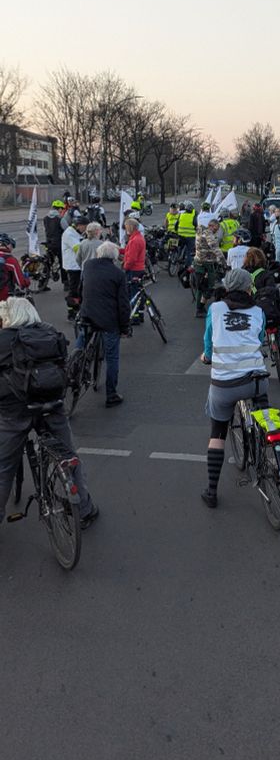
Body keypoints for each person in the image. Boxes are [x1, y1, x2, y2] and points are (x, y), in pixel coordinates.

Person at [0, 296, 98, 529]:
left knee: (4, 467)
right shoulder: (50, 333)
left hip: (15, 411)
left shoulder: (3, 340)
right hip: (52, 406)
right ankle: (84, 508)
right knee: (68, 456)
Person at [200, 268, 269, 507]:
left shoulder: (216, 308)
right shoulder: (259, 310)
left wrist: (207, 356)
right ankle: (269, 446)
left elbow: (209, 341)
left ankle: (211, 491)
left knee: (217, 432)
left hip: (224, 384)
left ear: (227, 287)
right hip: (256, 380)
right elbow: (259, 340)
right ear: (250, 287)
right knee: (264, 415)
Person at [79, 242, 131, 408]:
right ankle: (111, 394)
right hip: (108, 321)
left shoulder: (88, 266)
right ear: (114, 257)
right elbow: (123, 304)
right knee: (112, 357)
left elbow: (82, 288)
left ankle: (75, 365)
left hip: (87, 314)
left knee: (82, 340)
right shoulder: (118, 274)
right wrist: (124, 327)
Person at [242, 247, 280, 365]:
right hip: (268, 310)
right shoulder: (266, 274)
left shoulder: (243, 274)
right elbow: (272, 292)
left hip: (251, 310)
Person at [193, 218, 226, 317]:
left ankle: (199, 307)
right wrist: (223, 261)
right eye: (217, 227)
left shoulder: (200, 231)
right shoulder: (208, 233)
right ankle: (200, 308)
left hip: (198, 262)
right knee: (209, 287)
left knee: (200, 286)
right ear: (211, 225)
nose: (217, 230)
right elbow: (214, 247)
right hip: (207, 264)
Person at [62, 214, 88, 320]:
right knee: (74, 289)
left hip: (78, 265)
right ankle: (71, 311)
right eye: (85, 227)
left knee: (80, 288)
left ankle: (77, 307)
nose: (86, 229)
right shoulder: (69, 233)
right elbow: (78, 248)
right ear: (78, 225)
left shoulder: (77, 232)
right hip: (73, 266)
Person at [122, 217, 147, 320]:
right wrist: (119, 250)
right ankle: (139, 314)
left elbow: (131, 259)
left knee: (132, 294)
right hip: (139, 269)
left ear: (131, 227)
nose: (125, 229)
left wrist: (125, 267)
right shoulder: (138, 237)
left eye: (126, 226)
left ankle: (134, 316)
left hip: (133, 270)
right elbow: (129, 251)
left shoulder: (134, 241)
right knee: (138, 293)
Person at [43, 200, 67, 287]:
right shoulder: (60, 218)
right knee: (63, 263)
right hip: (59, 243)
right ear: (59, 209)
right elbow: (67, 230)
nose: (62, 210)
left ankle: (42, 283)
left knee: (48, 263)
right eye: (62, 209)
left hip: (49, 243)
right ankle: (66, 283)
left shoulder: (45, 218)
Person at [0, 235, 30, 302]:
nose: (12, 249)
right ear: (7, 245)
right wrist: (27, 280)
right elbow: (21, 282)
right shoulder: (10, 260)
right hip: (4, 296)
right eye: (12, 246)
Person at [176, 200, 197, 266]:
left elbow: (176, 225)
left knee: (180, 247)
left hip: (181, 236)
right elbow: (196, 225)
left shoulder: (181, 215)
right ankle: (188, 266)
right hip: (190, 237)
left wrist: (177, 231)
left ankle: (177, 257)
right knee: (189, 252)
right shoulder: (193, 216)